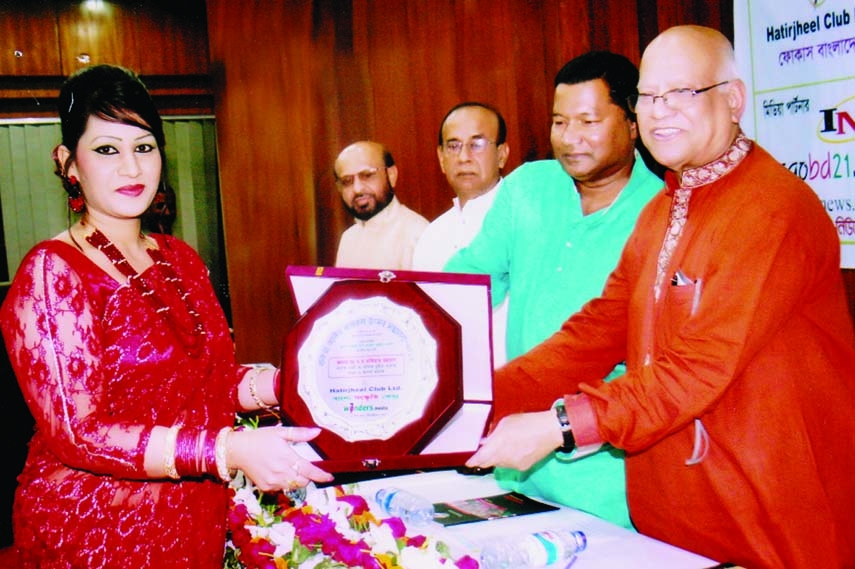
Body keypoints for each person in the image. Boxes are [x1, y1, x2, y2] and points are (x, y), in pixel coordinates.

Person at [466, 26, 855, 569]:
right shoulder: (663, 210)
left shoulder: (773, 209)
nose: (659, 111)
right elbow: (593, 334)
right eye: (648, 96)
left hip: (769, 522)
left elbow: (696, 368)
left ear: (734, 99)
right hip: (672, 525)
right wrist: (474, 403)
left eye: (682, 94)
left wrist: (560, 425)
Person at [0, 64, 333, 568]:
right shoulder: (53, 272)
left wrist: (288, 384)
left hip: (192, 513)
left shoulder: (179, 258)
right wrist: (227, 450)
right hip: (97, 528)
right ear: (69, 163)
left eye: (145, 146)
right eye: (107, 149)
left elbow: (208, 382)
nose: (132, 169)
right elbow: (78, 432)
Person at [445, 51, 662, 528]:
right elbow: (465, 284)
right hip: (517, 469)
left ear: (632, 122)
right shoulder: (527, 187)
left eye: (588, 121)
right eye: (559, 121)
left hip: (610, 481)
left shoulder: (661, 213)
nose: (569, 139)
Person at [413, 101, 510, 366]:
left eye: (477, 144)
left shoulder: (524, 220)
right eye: (453, 146)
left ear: (502, 154)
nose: (464, 156)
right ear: (441, 158)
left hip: (516, 386)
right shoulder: (431, 236)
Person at [333, 141, 428, 270]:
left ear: (391, 175)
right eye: (347, 181)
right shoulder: (348, 238)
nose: (357, 189)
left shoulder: (417, 234)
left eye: (367, 175)